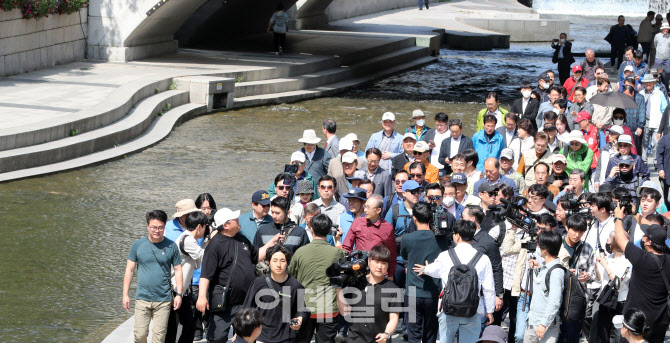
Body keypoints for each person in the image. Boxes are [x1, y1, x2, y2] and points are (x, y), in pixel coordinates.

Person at [197, 208, 278, 343]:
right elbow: (206, 274)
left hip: (245, 300)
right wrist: (201, 296)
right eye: (234, 219)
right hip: (224, 302)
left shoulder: (241, 238)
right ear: (226, 225)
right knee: (217, 337)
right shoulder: (215, 245)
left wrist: (272, 242)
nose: (238, 219)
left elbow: (256, 256)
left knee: (245, 337)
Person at [414, 219, 495, 343]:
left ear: (457, 236)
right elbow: (488, 287)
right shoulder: (483, 258)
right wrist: (489, 310)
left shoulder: (445, 255)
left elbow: (434, 270)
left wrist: (425, 268)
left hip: (448, 309)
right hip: (472, 310)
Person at [123, 210, 183, 343]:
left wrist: (179, 294)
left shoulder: (171, 246)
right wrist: (125, 294)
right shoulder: (137, 245)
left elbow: (178, 269)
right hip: (142, 298)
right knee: (139, 335)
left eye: (161, 227)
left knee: (159, 337)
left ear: (164, 227)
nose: (157, 230)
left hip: (163, 299)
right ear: (147, 226)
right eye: (154, 227)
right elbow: (129, 270)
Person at [613, 203, 670, 343]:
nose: (642, 237)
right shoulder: (668, 256)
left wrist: (618, 219)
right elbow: (651, 230)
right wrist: (635, 214)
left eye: (645, 236)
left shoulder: (642, 259)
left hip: (637, 322)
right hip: (660, 321)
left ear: (649, 242)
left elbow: (620, 239)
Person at [290, 213, 347, 343]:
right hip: (328, 308)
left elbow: (291, 276)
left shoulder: (300, 252)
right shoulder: (336, 252)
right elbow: (345, 261)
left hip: (304, 307)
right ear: (328, 231)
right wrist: (338, 241)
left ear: (311, 229)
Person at [243, 244, 308, 343]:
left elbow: (302, 309)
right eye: (274, 260)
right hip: (262, 337)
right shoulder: (258, 283)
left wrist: (299, 319)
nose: (278, 265)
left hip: (287, 337)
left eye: (282, 261)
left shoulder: (295, 285)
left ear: (287, 263)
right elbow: (246, 308)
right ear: (268, 262)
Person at [338, 245, 402, 343]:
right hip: (355, 339)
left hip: (379, 340)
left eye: (383, 263)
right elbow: (345, 312)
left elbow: (394, 317)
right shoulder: (356, 284)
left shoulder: (393, 289)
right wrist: (338, 288)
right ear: (369, 261)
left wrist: (387, 334)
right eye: (376, 262)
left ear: (388, 265)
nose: (379, 266)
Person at [400, 202, 442, 343]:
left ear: (414, 218)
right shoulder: (441, 239)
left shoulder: (407, 238)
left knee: (413, 333)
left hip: (412, 293)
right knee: (430, 332)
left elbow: (404, 255)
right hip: (433, 293)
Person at [166, 211, 210, 343]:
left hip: (183, 290)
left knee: (188, 326)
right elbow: (205, 257)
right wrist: (212, 239)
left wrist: (206, 240)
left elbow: (196, 264)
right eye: (206, 226)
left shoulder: (190, 239)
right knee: (175, 327)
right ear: (199, 227)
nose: (206, 229)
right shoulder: (188, 240)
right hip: (174, 290)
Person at [589, 231, 632, 343]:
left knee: (618, 336)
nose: (607, 242)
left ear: (615, 242)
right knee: (603, 335)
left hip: (620, 302)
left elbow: (618, 282)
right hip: (606, 301)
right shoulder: (608, 257)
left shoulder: (626, 261)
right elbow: (600, 279)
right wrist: (597, 268)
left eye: (609, 239)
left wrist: (605, 266)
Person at [523, 230, 565, 343]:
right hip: (532, 322)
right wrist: (538, 268)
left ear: (544, 250)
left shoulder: (556, 272)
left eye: (539, 245)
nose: (537, 247)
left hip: (546, 327)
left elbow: (555, 301)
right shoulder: (546, 268)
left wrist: (544, 323)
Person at [342, 194, 397, 278]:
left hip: (377, 271)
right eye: (365, 206)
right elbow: (346, 247)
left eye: (368, 207)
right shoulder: (358, 222)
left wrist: (390, 274)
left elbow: (391, 253)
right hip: (358, 269)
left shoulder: (387, 227)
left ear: (378, 210)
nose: (365, 210)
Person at [640, 73, 668, 163]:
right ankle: (644, 160)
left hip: (656, 121)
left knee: (656, 142)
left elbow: (665, 109)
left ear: (653, 82)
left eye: (650, 82)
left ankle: (656, 161)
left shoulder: (659, 93)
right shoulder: (641, 93)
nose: (648, 84)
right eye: (646, 82)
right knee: (644, 142)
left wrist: (663, 124)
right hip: (645, 121)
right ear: (644, 83)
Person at [656, 127, 670, 210]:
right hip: (667, 172)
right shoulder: (664, 140)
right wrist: (660, 169)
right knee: (666, 197)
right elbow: (659, 155)